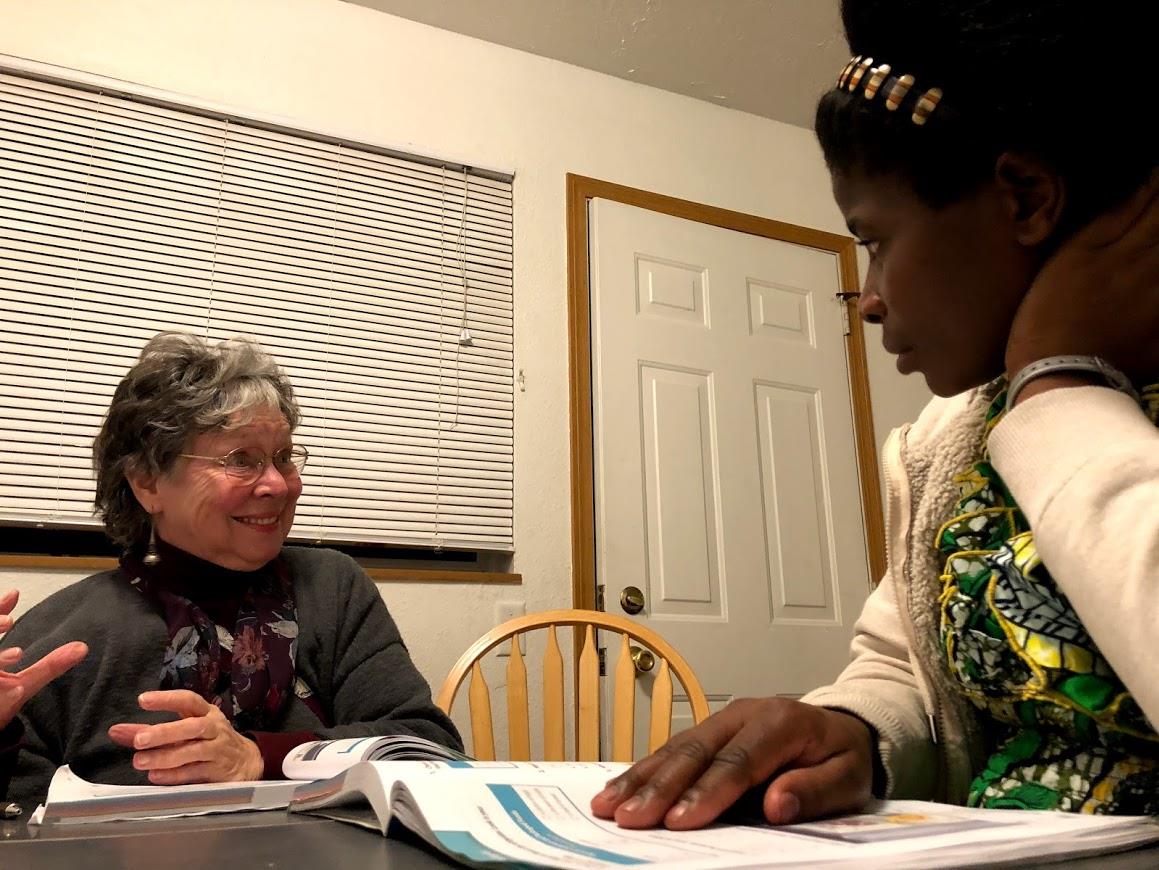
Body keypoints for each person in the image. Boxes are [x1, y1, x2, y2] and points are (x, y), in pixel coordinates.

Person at [592, 0, 1159, 829]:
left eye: (873, 239)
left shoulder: (1045, 410)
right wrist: (856, 730)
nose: (867, 300)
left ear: (1026, 197)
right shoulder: (947, 444)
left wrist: (1060, 378)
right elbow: (905, 666)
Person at [0, 332, 461, 805]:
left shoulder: (332, 590)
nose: (279, 485)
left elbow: (429, 749)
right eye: (241, 460)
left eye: (284, 457)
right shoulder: (68, 636)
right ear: (147, 482)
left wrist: (262, 758)